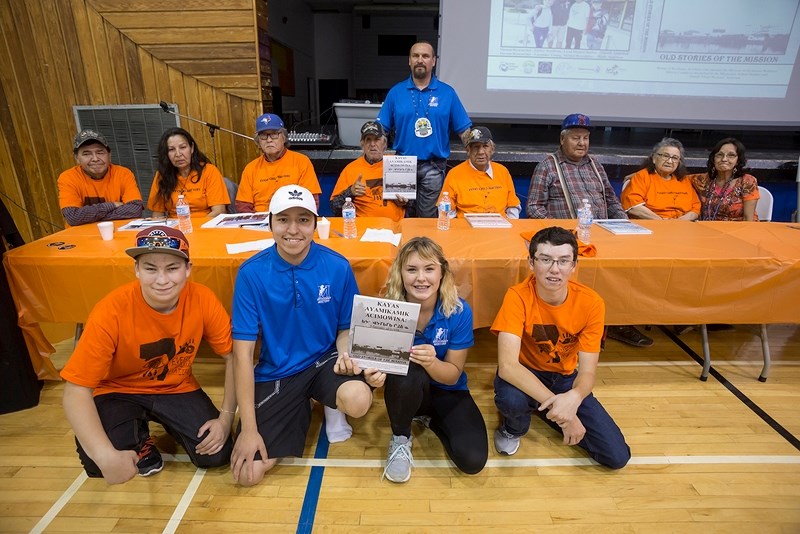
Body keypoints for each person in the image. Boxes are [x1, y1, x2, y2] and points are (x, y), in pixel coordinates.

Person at [230, 185, 382, 487]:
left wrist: (344, 353)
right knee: (248, 475)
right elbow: (242, 355)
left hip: (323, 361)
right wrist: (248, 428)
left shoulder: (337, 266)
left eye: (303, 219)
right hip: (278, 370)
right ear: (270, 222)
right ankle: (300, 405)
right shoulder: (251, 274)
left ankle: (328, 403)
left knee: (358, 400)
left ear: (316, 223)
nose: (293, 230)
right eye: (284, 219)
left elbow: (344, 328)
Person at [60, 226, 236, 485]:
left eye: (172, 268)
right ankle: (139, 438)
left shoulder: (203, 299)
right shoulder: (111, 311)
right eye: (151, 268)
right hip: (117, 389)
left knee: (216, 453)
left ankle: (153, 427)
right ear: (137, 270)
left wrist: (225, 418)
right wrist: (105, 455)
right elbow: (75, 390)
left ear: (188, 268)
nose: (162, 280)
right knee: (98, 464)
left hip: (175, 387)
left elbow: (233, 358)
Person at [492, 226, 630, 469]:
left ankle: (543, 407)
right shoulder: (517, 296)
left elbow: (587, 373)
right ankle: (513, 428)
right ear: (531, 263)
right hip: (525, 372)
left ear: (574, 265)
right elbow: (508, 367)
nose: (554, 269)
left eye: (563, 261)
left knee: (616, 457)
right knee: (512, 400)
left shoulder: (592, 303)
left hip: (564, 378)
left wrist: (574, 398)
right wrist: (565, 416)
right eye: (545, 260)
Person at [526, 113, 653, 348]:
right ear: (562, 139)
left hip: (605, 237)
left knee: (623, 276)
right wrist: (559, 236)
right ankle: (582, 326)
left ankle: (617, 323)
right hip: (567, 243)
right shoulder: (548, 166)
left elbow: (611, 201)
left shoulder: (596, 165)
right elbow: (533, 208)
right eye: (576, 138)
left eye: (585, 138)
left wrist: (624, 224)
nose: (582, 143)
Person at [378, 237, 488, 483]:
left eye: (429, 269)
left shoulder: (458, 310)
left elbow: (452, 375)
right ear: (400, 273)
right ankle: (401, 437)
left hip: (447, 389)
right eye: (412, 269)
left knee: (472, 461)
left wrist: (432, 362)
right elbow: (378, 366)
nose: (421, 278)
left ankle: (431, 418)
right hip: (406, 388)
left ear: (442, 273)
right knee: (409, 371)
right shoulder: (386, 308)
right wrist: (373, 375)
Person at [377, 41, 472, 218]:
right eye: (416, 56)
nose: (420, 60)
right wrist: (376, 160)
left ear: (433, 61)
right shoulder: (396, 92)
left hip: (434, 167)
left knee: (427, 221)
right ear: (409, 61)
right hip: (401, 165)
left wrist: (476, 156)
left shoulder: (447, 93)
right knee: (401, 217)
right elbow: (381, 130)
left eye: (425, 56)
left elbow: (464, 131)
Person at [236, 113, 321, 213]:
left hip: (291, 220)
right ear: (258, 141)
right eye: (263, 135)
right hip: (259, 222)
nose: (269, 140)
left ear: (284, 137)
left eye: (274, 134)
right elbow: (242, 206)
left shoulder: (301, 162)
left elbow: (312, 201)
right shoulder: (250, 168)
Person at [58, 129, 143, 226]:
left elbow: (135, 210)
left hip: (119, 233)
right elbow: (73, 217)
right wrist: (111, 205)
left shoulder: (123, 173)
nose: (95, 159)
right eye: (87, 154)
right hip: (80, 235)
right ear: (77, 158)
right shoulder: (68, 177)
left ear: (109, 155)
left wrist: (89, 217)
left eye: (100, 152)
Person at [330, 121, 408, 221]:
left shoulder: (398, 163)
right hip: (363, 228)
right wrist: (351, 192)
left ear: (384, 143)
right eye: (368, 140)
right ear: (363, 145)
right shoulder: (351, 169)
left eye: (377, 140)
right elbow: (334, 207)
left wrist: (404, 201)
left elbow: (412, 202)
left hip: (395, 226)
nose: (372, 144)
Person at [438, 126, 521, 219]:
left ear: (492, 149)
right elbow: (446, 212)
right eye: (476, 147)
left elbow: (513, 207)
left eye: (485, 146)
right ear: (468, 150)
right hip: (467, 229)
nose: (481, 152)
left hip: (499, 229)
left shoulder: (502, 171)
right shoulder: (454, 174)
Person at [147, 127, 230, 218]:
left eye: (183, 147)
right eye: (171, 149)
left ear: (192, 148)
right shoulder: (162, 175)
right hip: (175, 227)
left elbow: (219, 211)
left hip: (205, 225)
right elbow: (157, 214)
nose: (178, 154)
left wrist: (197, 228)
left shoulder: (209, 171)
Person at [621, 138, 701, 220]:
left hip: (681, 226)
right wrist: (661, 221)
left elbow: (695, 209)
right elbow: (633, 207)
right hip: (652, 224)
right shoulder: (642, 177)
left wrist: (679, 221)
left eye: (675, 158)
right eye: (665, 156)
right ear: (654, 158)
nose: (670, 161)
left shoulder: (684, 179)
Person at [689, 138, 760, 221]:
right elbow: (678, 178)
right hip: (707, 230)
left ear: (738, 160)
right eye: (719, 155)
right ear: (713, 159)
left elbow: (748, 219)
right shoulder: (702, 180)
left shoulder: (747, 181)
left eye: (731, 155)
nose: (724, 159)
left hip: (739, 230)